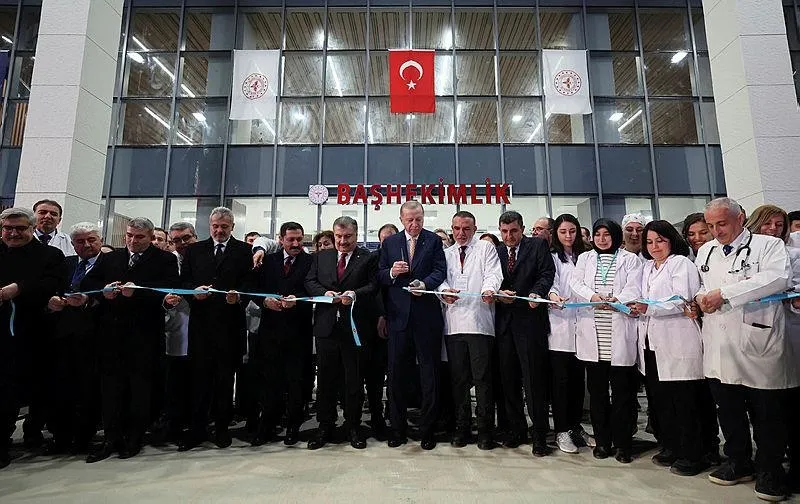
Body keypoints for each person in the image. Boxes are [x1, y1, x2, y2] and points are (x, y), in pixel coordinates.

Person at [695, 197, 796, 501]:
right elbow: (703, 283)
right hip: (719, 341)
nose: (716, 231)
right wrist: (700, 299)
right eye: (711, 225)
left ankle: (769, 472)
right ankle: (738, 462)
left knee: (767, 414)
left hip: (758, 339)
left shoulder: (768, 246)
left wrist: (724, 293)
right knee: (729, 410)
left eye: (721, 224)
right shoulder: (706, 250)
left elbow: (777, 278)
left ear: (740, 218)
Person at [82, 217, 179, 463]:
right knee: (110, 388)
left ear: (151, 237)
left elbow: (168, 289)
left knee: (139, 389)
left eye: (139, 237)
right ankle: (110, 437)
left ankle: (134, 437)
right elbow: (89, 281)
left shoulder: (165, 259)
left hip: (144, 334)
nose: (132, 241)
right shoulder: (111, 257)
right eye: (129, 235)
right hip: (111, 334)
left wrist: (139, 291)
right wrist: (105, 291)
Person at [631, 220, 709, 476]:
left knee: (685, 403)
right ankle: (672, 447)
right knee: (662, 401)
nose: (654, 246)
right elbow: (639, 295)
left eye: (660, 241)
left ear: (671, 240)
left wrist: (649, 307)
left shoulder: (681, 263)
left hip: (678, 340)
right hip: (651, 342)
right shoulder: (647, 267)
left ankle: (693, 455)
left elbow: (681, 299)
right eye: (649, 242)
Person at [177, 208, 255, 452]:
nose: (219, 230)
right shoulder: (194, 250)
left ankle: (222, 429)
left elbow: (250, 282)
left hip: (230, 325)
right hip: (201, 326)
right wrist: (193, 293)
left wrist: (239, 296)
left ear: (232, 227)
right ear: (209, 226)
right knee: (199, 381)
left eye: (224, 226)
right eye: (215, 226)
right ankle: (197, 429)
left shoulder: (244, 250)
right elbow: (184, 281)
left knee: (225, 380)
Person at [570, 218, 642, 464]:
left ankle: (623, 444)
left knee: (623, 395)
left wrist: (616, 300)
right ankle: (602, 442)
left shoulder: (629, 259)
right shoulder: (585, 258)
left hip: (618, 329)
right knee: (598, 394)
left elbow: (635, 286)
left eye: (607, 234)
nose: (601, 239)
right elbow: (575, 283)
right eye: (598, 234)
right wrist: (593, 296)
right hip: (594, 334)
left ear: (615, 236)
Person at [378, 200, 447, 450]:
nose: (415, 224)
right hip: (398, 317)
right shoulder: (390, 243)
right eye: (410, 220)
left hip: (426, 317)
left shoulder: (434, 240)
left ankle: (428, 430)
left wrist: (425, 284)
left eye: (418, 219)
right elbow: (379, 275)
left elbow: (440, 271)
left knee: (430, 374)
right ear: (401, 220)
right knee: (397, 375)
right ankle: (397, 429)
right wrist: (392, 272)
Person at [304, 216, 378, 450]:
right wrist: (324, 293)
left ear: (356, 235)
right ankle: (325, 426)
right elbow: (310, 281)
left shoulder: (368, 257)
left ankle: (353, 426)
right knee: (325, 381)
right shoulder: (321, 257)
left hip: (354, 329)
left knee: (353, 381)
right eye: (338, 236)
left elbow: (374, 286)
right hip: (326, 328)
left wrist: (355, 294)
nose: (343, 241)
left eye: (348, 236)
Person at [0, 208, 65, 469]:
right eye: (8, 228)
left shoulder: (50, 255)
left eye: (20, 228)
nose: (13, 233)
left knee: (12, 391)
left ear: (31, 228)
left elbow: (53, 284)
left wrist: (18, 289)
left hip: (31, 334)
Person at [437, 211, 502, 450]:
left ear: (474, 229)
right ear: (452, 229)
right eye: (456, 228)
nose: (461, 233)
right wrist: (444, 291)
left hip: (479, 322)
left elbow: (493, 274)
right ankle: (462, 428)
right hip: (454, 324)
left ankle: (485, 431)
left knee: (483, 380)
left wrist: (489, 289)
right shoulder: (446, 254)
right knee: (459, 381)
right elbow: (440, 279)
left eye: (466, 229)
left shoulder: (486, 248)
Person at [495, 211, 555, 457]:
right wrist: (498, 293)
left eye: (513, 231)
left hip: (530, 322)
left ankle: (539, 436)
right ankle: (516, 430)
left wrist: (537, 293)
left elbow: (546, 273)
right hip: (504, 324)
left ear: (522, 229)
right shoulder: (497, 251)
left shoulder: (537, 246)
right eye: (504, 232)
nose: (509, 236)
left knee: (533, 382)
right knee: (508, 381)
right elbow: (491, 278)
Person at [43, 222, 105, 456]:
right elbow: (51, 289)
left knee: (88, 390)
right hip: (62, 334)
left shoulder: (110, 263)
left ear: (100, 240)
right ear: (73, 243)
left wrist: (89, 302)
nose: (86, 245)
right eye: (80, 241)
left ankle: (83, 437)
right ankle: (60, 436)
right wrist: (51, 302)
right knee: (61, 387)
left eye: (91, 240)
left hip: (94, 336)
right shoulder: (66, 263)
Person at [250, 222, 313, 447]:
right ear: (281, 239)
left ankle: (293, 427)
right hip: (271, 331)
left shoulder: (311, 262)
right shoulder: (269, 260)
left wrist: (298, 300)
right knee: (270, 381)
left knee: (295, 382)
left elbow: (314, 290)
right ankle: (267, 425)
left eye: (299, 239)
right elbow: (254, 288)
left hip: (299, 331)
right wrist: (264, 301)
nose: (296, 244)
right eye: (291, 240)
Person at [547, 214, 593, 454]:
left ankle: (575, 427)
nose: (568, 236)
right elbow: (550, 282)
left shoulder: (586, 257)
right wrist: (554, 296)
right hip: (560, 326)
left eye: (572, 231)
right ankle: (561, 430)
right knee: (561, 382)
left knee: (578, 382)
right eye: (563, 232)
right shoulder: (552, 257)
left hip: (583, 324)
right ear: (556, 233)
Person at [156, 222, 197, 445]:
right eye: (176, 240)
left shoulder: (202, 258)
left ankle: (193, 425)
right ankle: (172, 426)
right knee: (173, 383)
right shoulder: (166, 262)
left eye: (186, 238)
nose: (182, 244)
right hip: (172, 330)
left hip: (198, 329)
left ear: (195, 237)